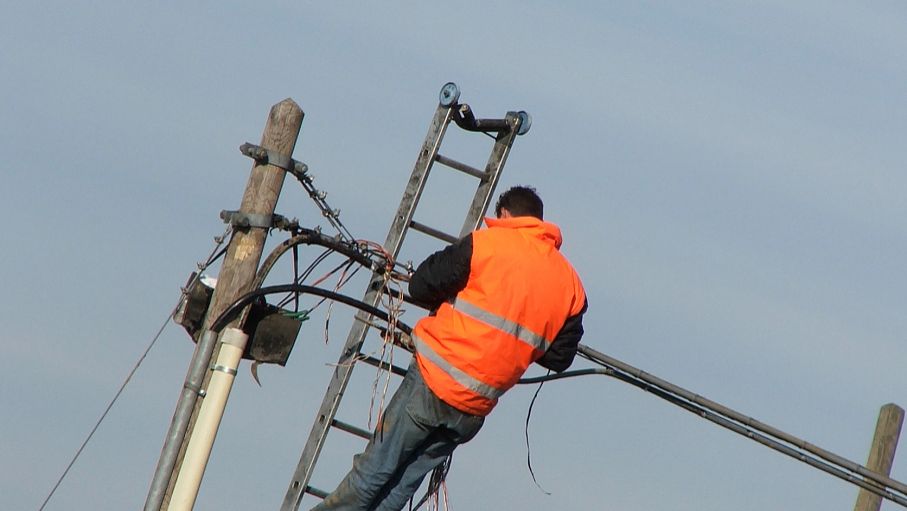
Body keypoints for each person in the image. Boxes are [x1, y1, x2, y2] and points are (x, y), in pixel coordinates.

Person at [312, 186, 587, 511]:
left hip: (433, 381)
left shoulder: (488, 244)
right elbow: (559, 358)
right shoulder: (570, 284)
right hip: (473, 408)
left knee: (372, 474)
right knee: (400, 487)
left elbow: (421, 285)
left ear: (505, 215)